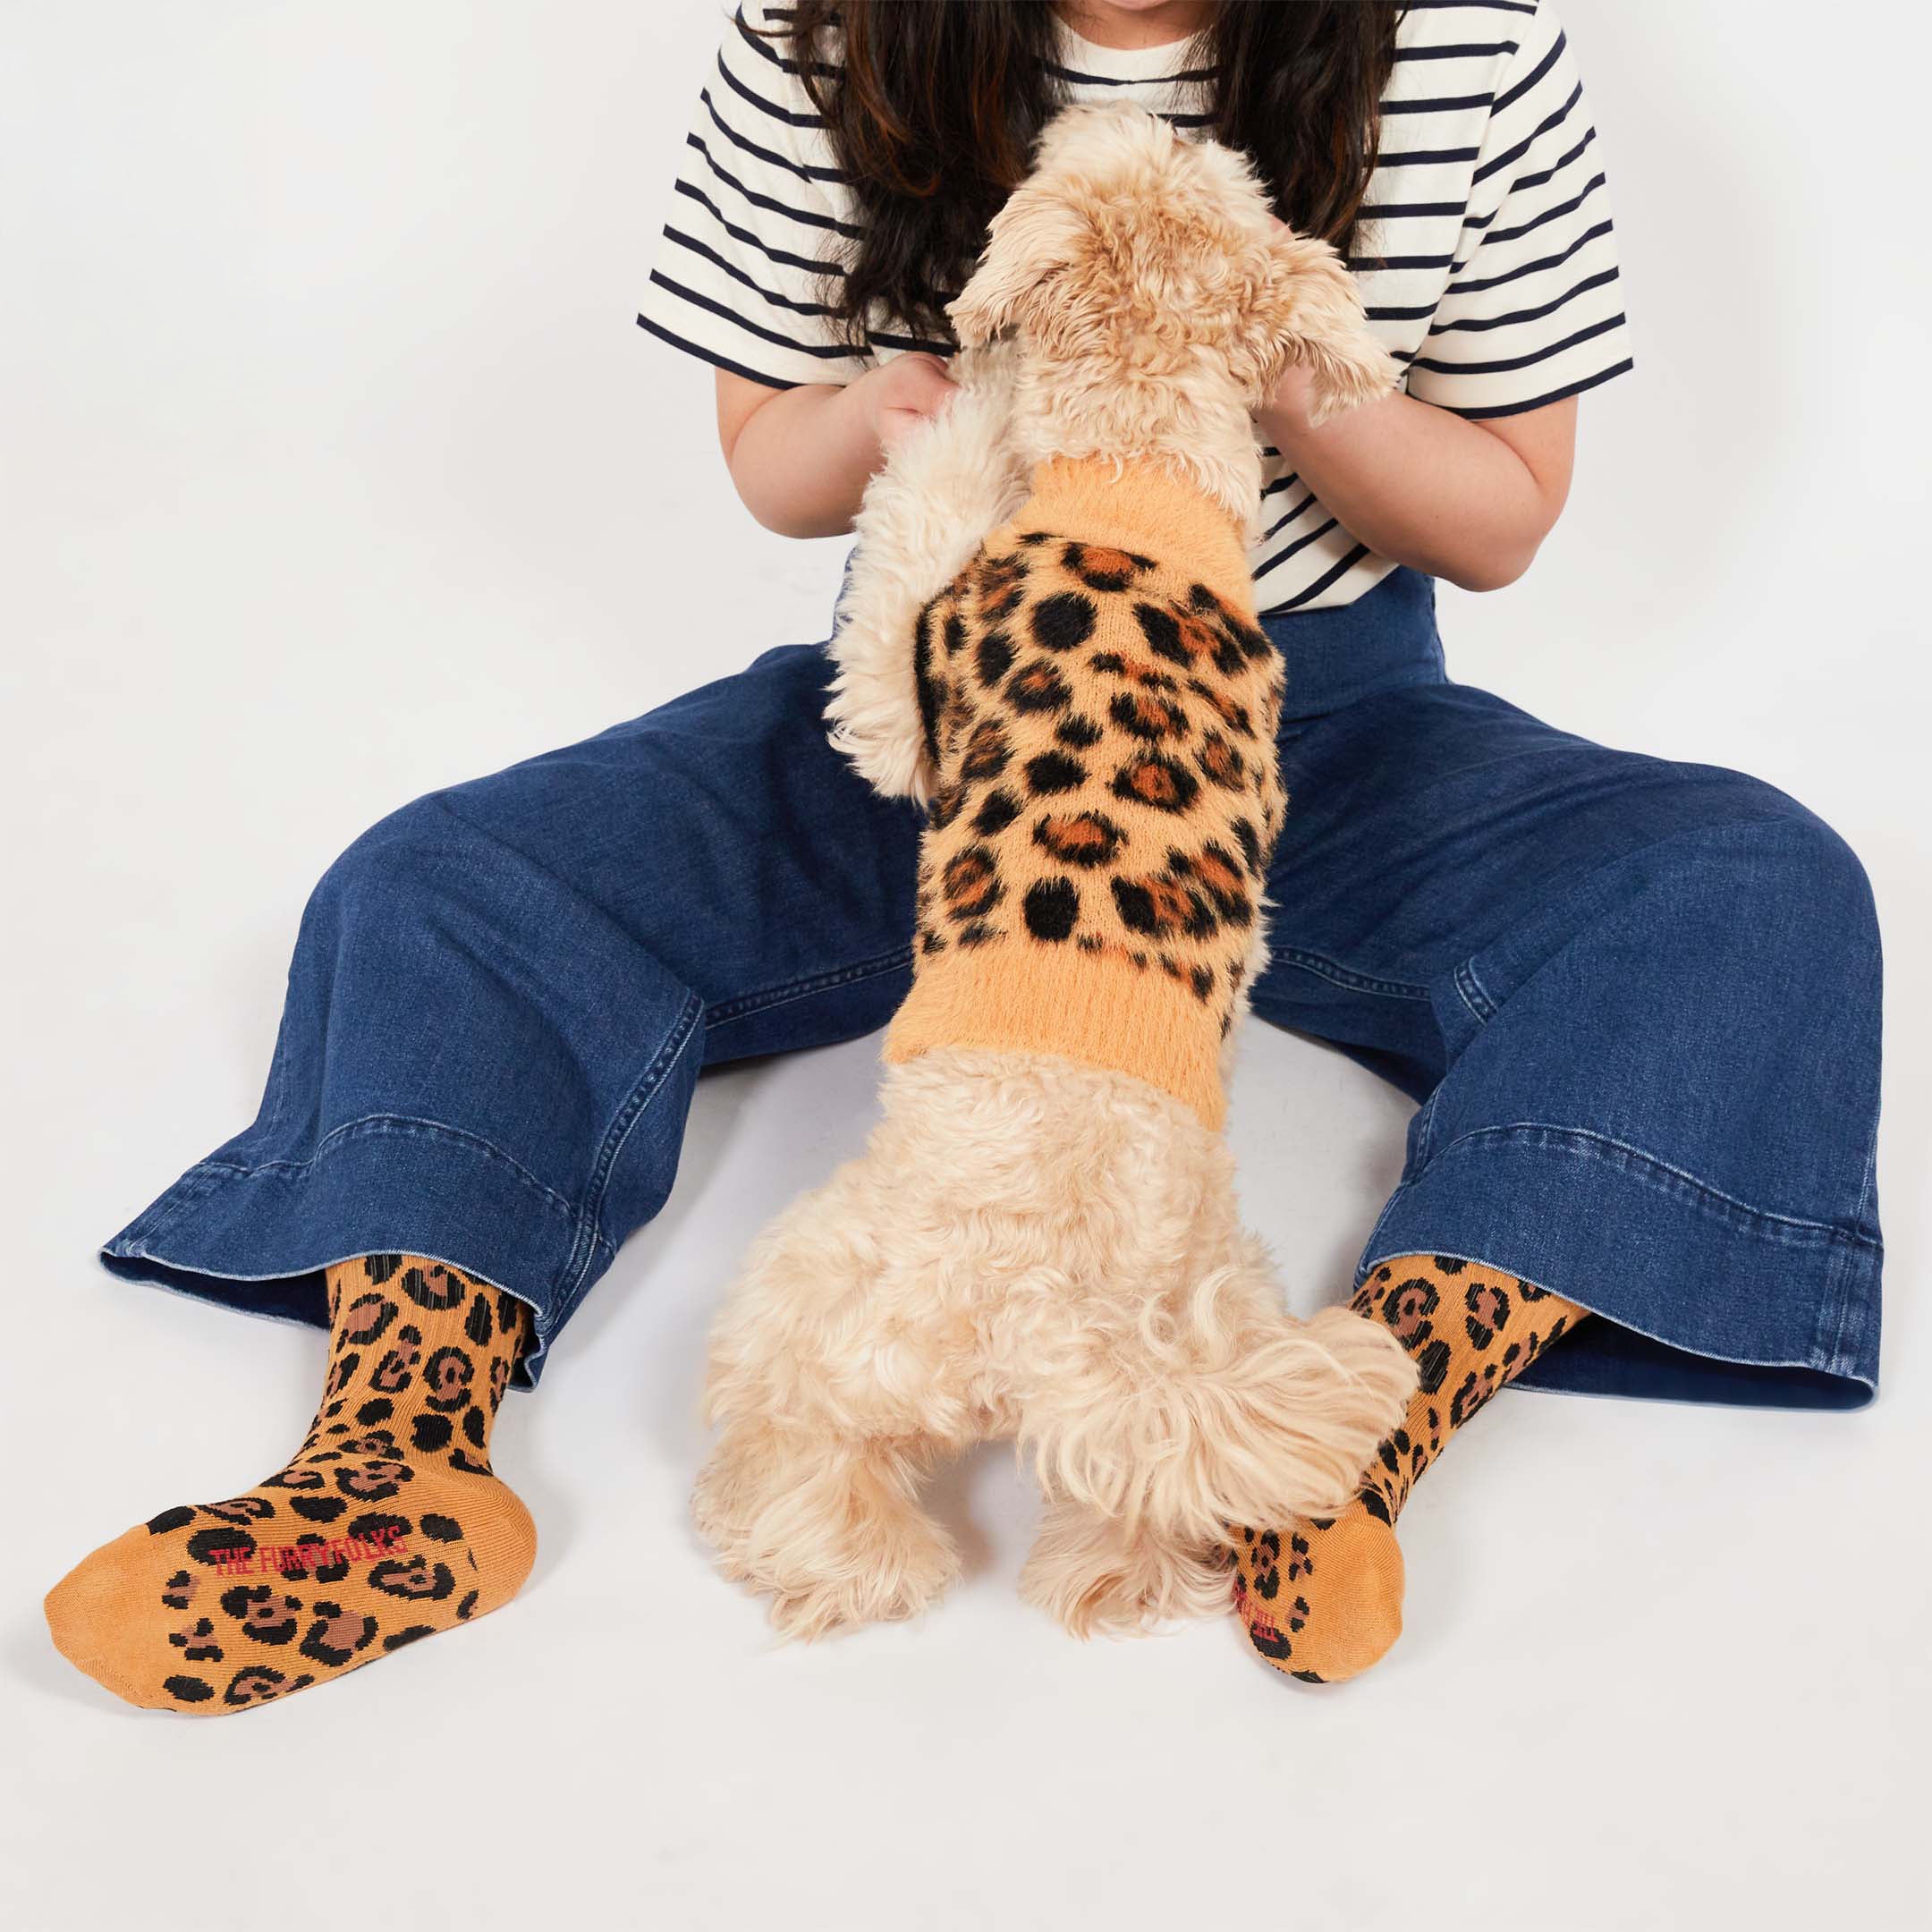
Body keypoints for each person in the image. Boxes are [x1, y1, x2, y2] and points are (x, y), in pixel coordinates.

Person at [47, 0, 1883, 1712]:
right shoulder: (829, 38)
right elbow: (772, 462)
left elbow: (1502, 521)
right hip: (945, 707)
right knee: (446, 881)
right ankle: (392, 1457)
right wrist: (889, 413)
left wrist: (1280, 361)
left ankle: (1335, 1451)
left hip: (1324, 725)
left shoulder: (1470, 44)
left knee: (1751, 885)